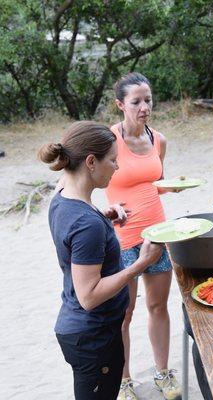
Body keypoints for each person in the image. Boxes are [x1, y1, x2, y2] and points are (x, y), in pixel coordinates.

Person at [40, 121, 163, 399]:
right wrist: (141, 264)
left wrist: (103, 215)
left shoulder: (62, 197)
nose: (117, 167)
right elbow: (89, 296)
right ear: (91, 161)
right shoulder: (86, 224)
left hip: (83, 333)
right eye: (113, 160)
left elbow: (77, 226)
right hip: (93, 338)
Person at [106, 72, 182, 400]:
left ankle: (162, 373)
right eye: (136, 102)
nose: (144, 107)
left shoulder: (158, 139)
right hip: (122, 238)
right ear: (121, 104)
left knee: (157, 305)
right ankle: (123, 381)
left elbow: (155, 183)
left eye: (148, 100)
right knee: (123, 313)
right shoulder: (108, 140)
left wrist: (173, 185)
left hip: (158, 232)